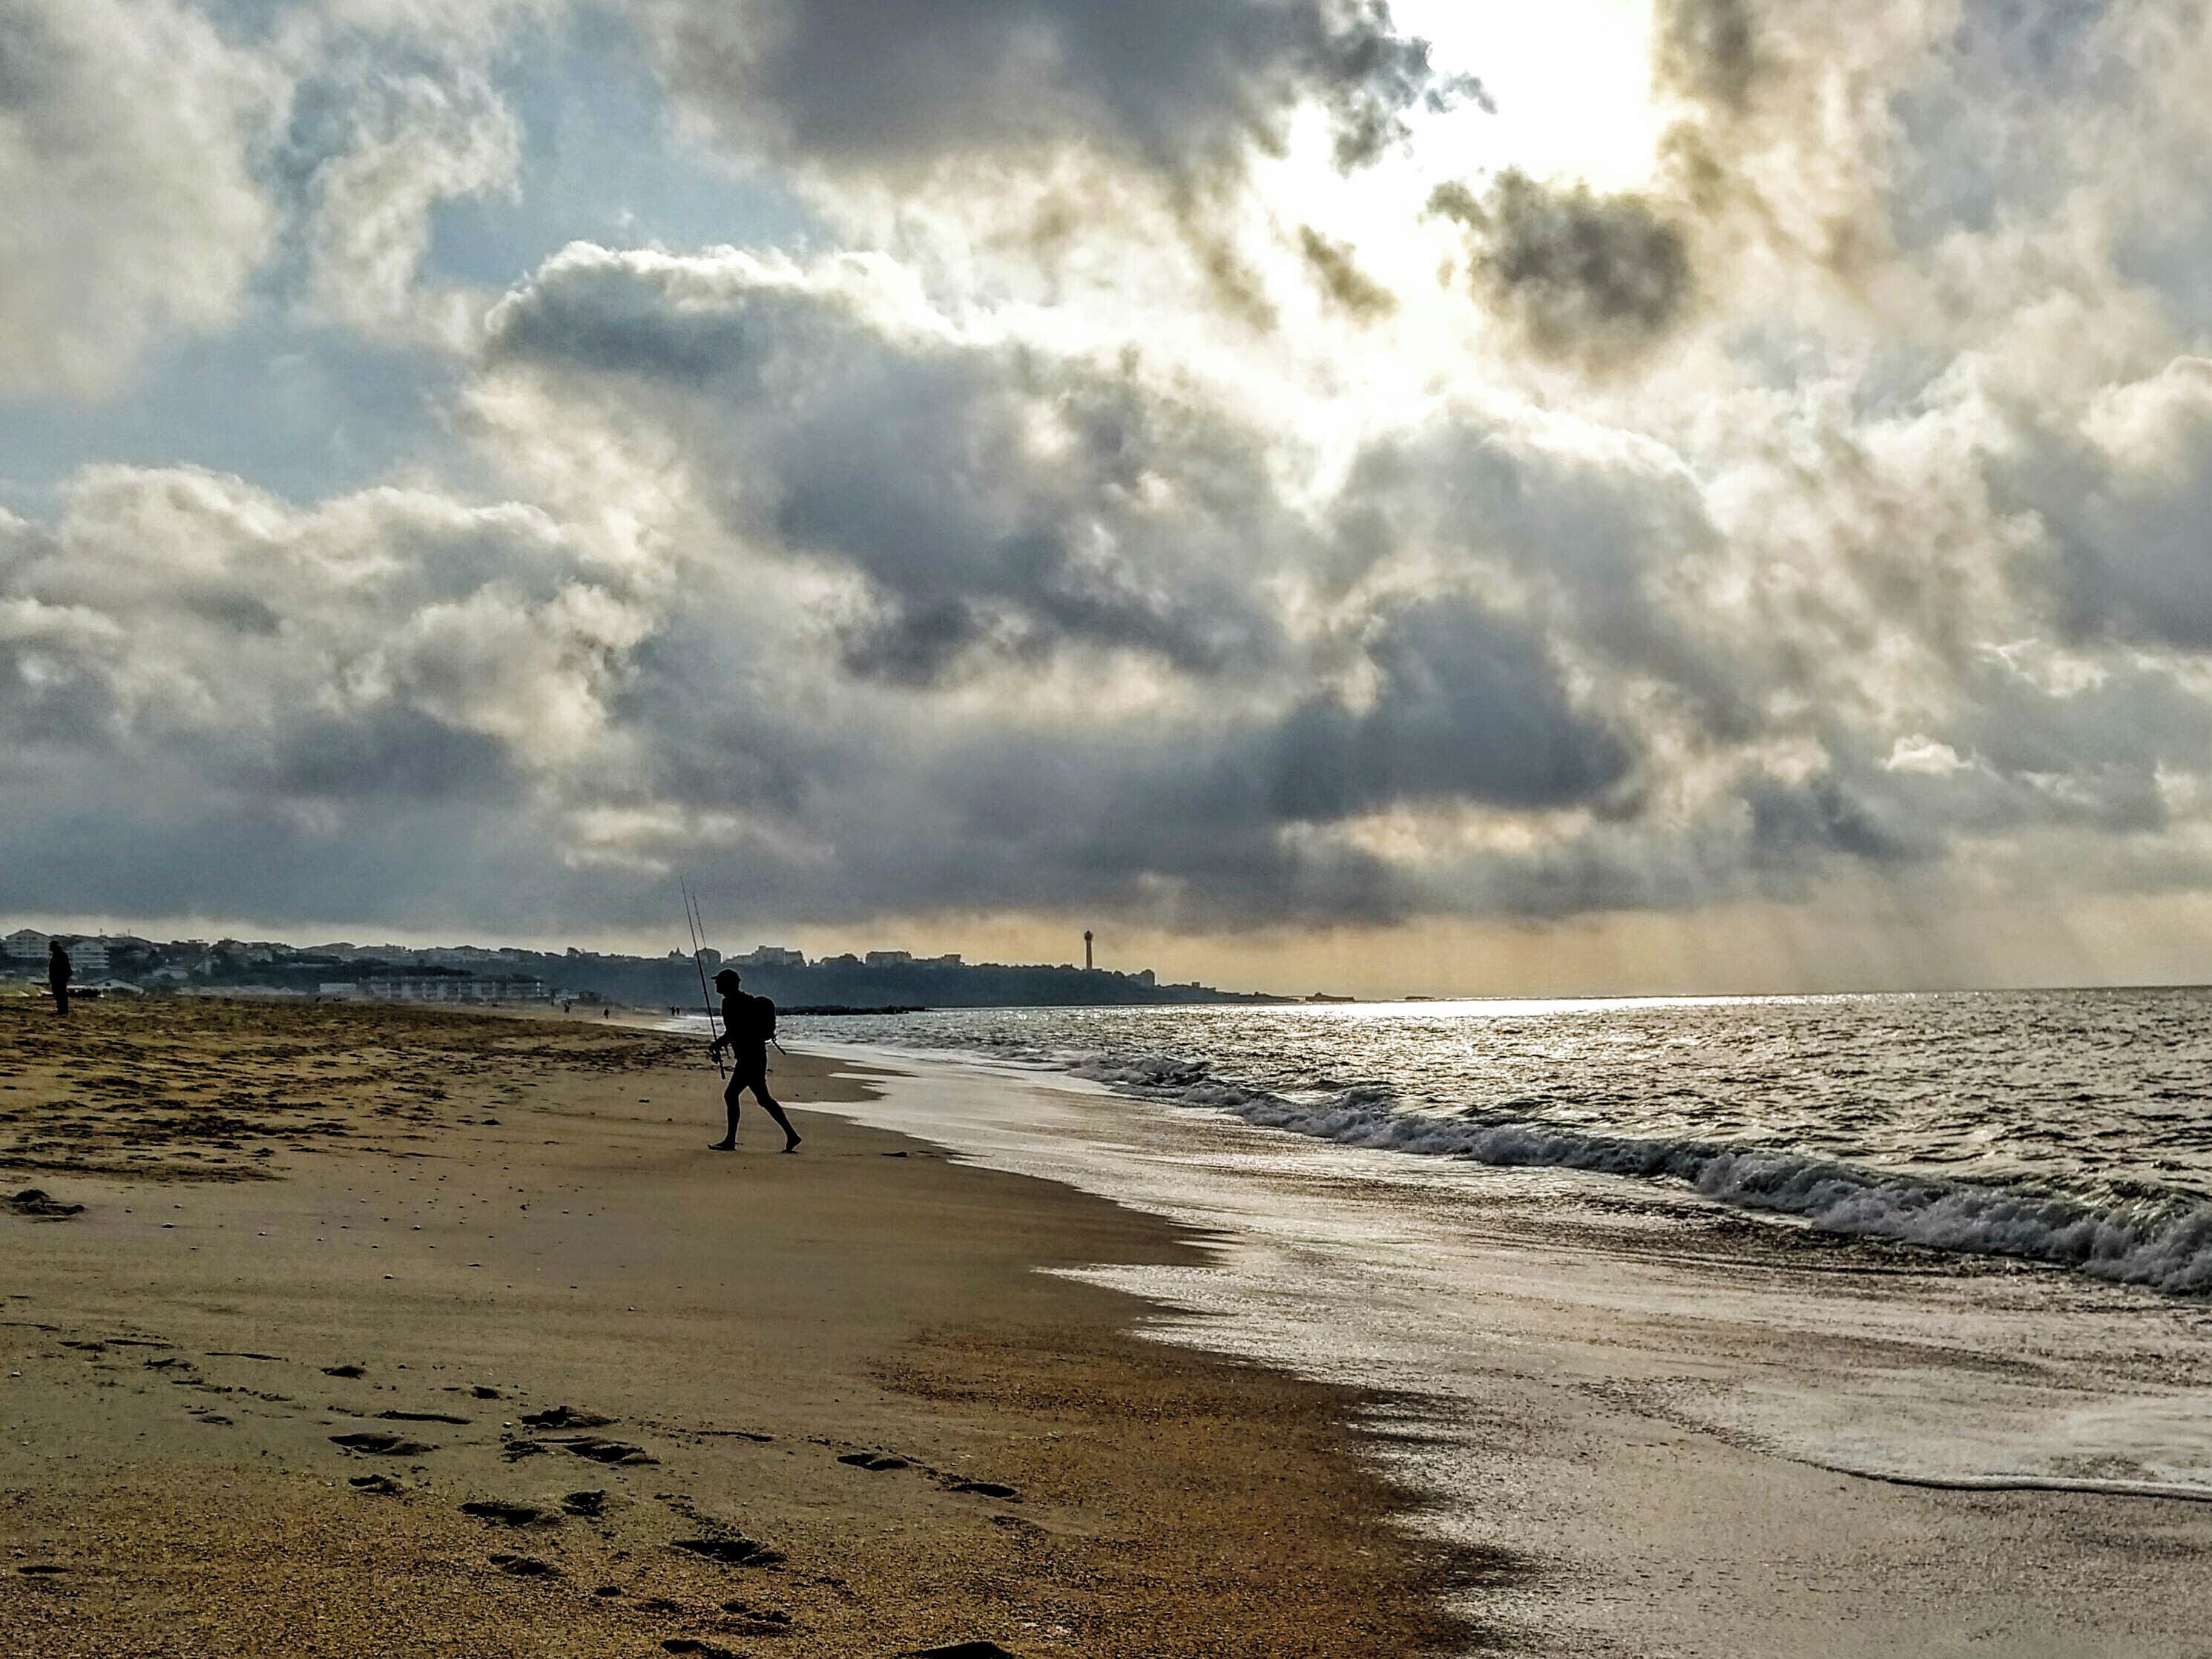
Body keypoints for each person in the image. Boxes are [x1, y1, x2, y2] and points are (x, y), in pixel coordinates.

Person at [707, 967, 800, 1154]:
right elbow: (737, 1032)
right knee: (763, 1099)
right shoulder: (747, 1001)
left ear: (726, 984)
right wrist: (720, 1044)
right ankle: (791, 1135)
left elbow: (734, 1031)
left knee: (731, 1095)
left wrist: (717, 1044)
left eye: (718, 982)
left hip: (749, 1058)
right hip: (757, 1055)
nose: (716, 984)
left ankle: (730, 1141)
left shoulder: (730, 1003)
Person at [47, 938, 70, 1018]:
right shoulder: (59, 955)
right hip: (58, 978)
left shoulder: (61, 955)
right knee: (59, 995)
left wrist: (65, 976)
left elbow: (66, 968)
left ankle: (63, 1011)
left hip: (59, 978)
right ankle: (61, 1010)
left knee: (61, 995)